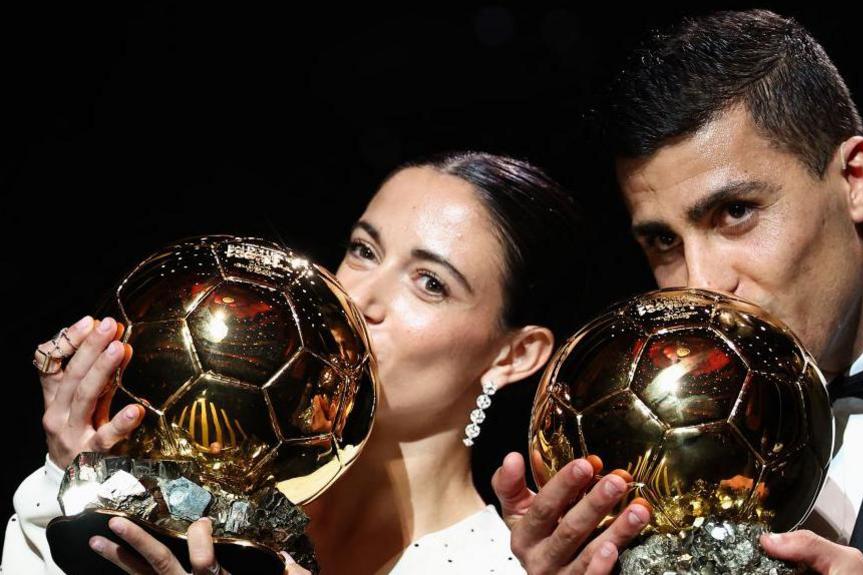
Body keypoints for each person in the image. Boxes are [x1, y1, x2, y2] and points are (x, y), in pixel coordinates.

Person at [493, 9, 863, 574]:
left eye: (736, 212)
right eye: (663, 242)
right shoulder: (664, 456)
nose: (701, 283)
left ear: (856, 180)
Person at [5, 151, 585, 575]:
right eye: (364, 250)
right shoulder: (185, 494)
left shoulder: (506, 568)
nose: (360, 298)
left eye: (430, 283)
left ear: (515, 354)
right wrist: (70, 481)